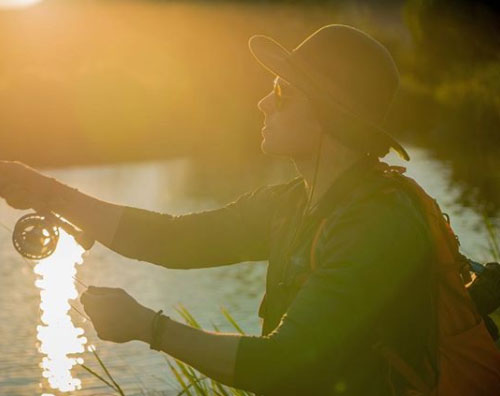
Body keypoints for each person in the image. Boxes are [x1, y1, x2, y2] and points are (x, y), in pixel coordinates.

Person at [0, 25, 438, 395]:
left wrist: (149, 328)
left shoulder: (377, 223)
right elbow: (173, 240)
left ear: (330, 112)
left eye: (283, 92)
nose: (264, 103)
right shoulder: (291, 204)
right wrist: (47, 192)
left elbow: (283, 363)